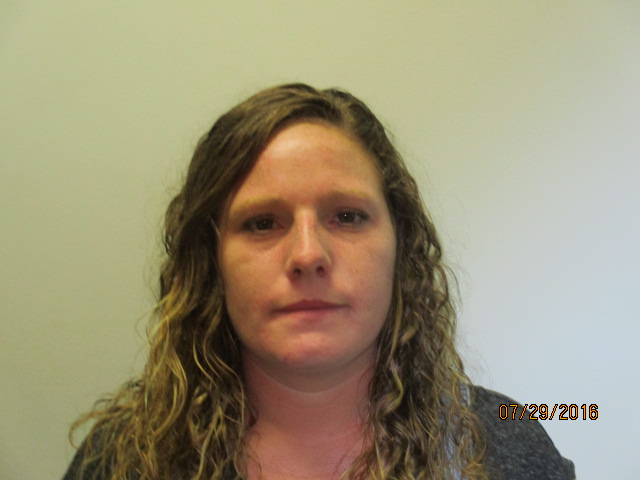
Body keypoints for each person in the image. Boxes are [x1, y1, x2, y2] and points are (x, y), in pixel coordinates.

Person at [63, 83, 575, 480]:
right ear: (211, 262)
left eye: (347, 217)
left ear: (400, 246)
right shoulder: (122, 459)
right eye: (262, 223)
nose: (308, 255)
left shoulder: (508, 439)